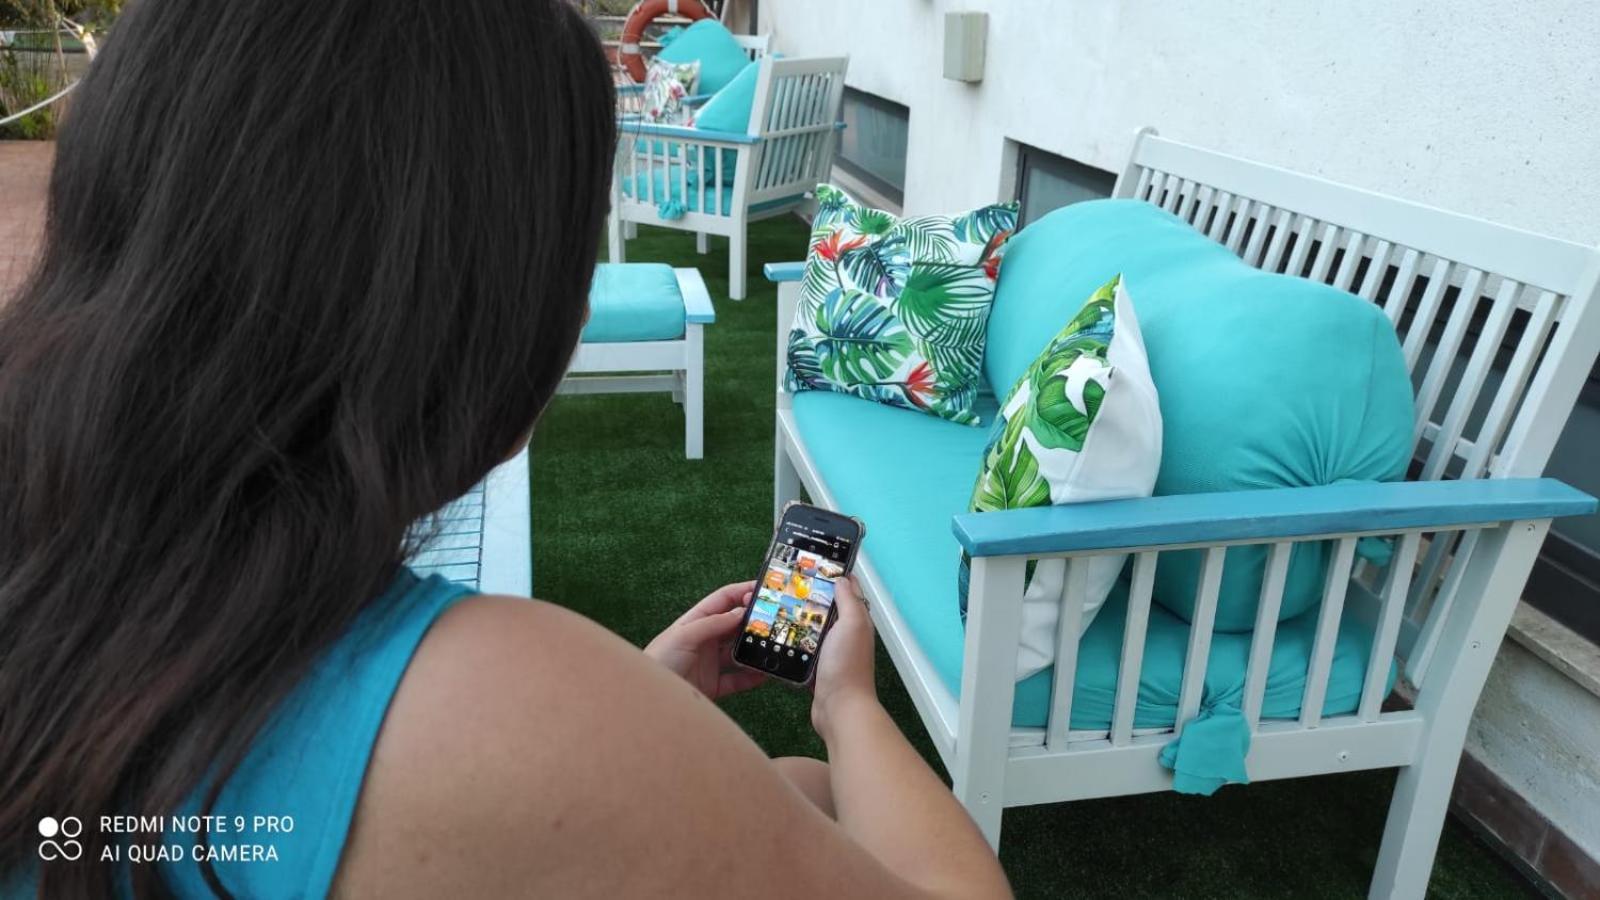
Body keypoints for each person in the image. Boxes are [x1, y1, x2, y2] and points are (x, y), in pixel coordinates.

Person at [0, 1, 1014, 898]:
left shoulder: (65, 534)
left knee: (798, 791)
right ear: (483, 295)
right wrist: (844, 702)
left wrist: (633, 700)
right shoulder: (492, 699)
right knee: (812, 777)